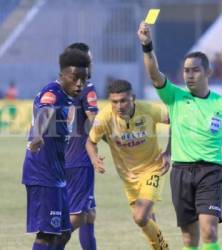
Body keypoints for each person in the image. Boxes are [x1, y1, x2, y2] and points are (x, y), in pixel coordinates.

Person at [137, 22, 222, 250]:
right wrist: (147, 46)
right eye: (186, 70)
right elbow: (154, 74)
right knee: (189, 238)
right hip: (180, 172)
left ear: (208, 72)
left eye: (195, 70)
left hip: (211, 172)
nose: (189, 75)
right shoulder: (175, 96)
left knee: (209, 230)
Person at [86, 79, 170, 250]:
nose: (119, 106)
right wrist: (94, 158)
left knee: (140, 217)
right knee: (147, 220)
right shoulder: (105, 117)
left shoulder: (148, 110)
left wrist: (169, 152)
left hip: (153, 168)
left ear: (133, 98)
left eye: (123, 100)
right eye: (114, 102)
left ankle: (164, 248)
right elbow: (90, 141)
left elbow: (176, 121)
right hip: (128, 177)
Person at [22, 48, 90, 250]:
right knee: (45, 235)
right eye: (75, 78)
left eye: (83, 79)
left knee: (63, 232)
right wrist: (37, 135)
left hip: (56, 174)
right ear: (62, 76)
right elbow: (45, 111)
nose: (79, 83)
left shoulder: (68, 96)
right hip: (42, 173)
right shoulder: (52, 93)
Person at [64, 43, 98, 250]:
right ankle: (48, 245)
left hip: (61, 160)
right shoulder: (87, 88)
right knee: (79, 216)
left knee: (89, 215)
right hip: (80, 161)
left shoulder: (57, 87)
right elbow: (96, 122)